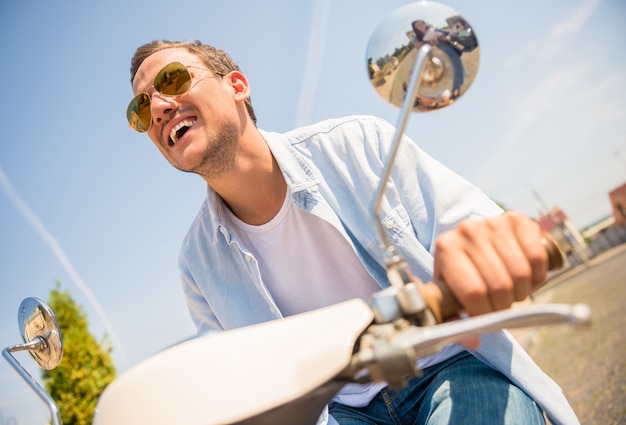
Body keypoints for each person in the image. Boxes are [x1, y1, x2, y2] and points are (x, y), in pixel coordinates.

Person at [127, 39, 579, 425]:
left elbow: (476, 227)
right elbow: (239, 386)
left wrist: (495, 245)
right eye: (141, 108)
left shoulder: (357, 144)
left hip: (451, 362)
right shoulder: (196, 265)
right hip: (337, 414)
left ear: (237, 86)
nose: (160, 108)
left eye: (171, 80)